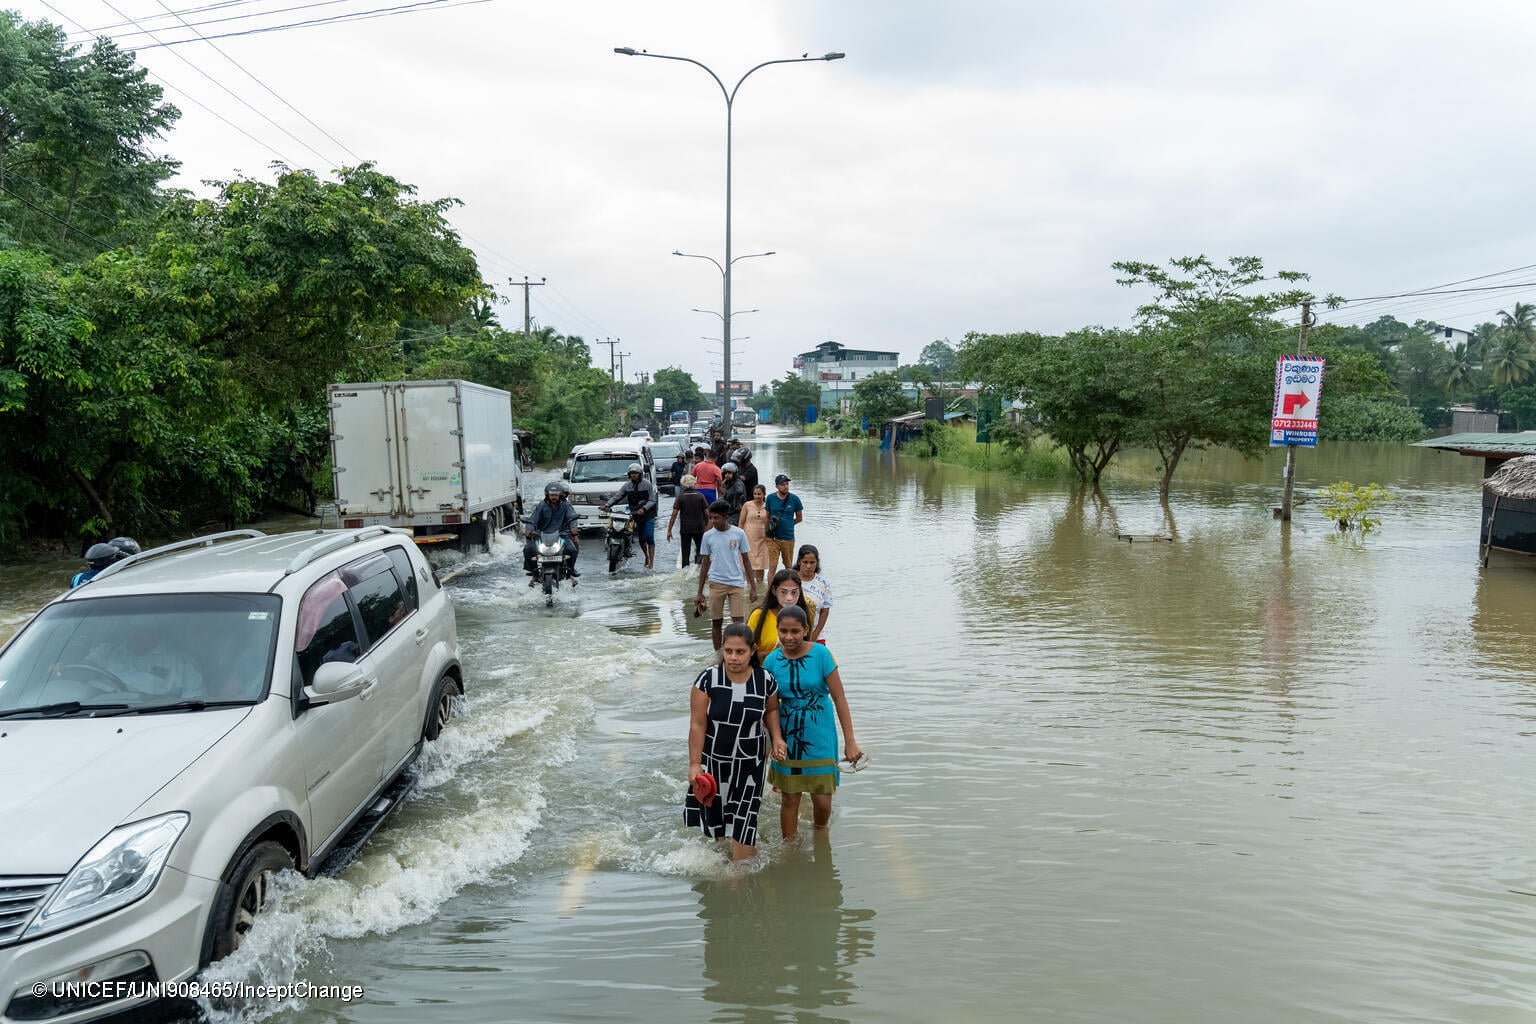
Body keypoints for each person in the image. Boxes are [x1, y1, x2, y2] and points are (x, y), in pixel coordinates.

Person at [684, 622, 786, 861]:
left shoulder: (765, 680)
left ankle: (739, 884)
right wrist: (694, 764)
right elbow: (697, 724)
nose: (733, 657)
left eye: (740, 652)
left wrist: (777, 738)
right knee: (717, 827)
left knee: (744, 824)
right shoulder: (708, 680)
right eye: (728, 651)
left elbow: (771, 711)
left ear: (753, 650)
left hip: (751, 764)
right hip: (714, 765)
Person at [765, 606, 861, 840]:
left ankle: (821, 839)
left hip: (820, 735)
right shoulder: (771, 661)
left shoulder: (822, 655)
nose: (789, 637)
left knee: (822, 800)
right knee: (789, 797)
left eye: (795, 631)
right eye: (783, 631)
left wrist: (850, 741)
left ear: (806, 629)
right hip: (787, 736)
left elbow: (839, 698)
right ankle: (790, 850)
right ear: (777, 630)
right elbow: (771, 707)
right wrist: (775, 739)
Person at [695, 500, 758, 650]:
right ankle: (718, 655)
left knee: (739, 624)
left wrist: (753, 587)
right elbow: (705, 564)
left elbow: (746, 560)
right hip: (716, 584)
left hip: (736, 583)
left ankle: (740, 650)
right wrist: (699, 592)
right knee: (716, 623)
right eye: (711, 518)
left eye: (716, 518)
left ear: (725, 516)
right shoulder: (708, 536)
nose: (712, 521)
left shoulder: (738, 533)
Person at [746, 570, 819, 659]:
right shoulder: (758, 615)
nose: (789, 598)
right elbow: (746, 654)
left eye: (794, 592)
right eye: (783, 592)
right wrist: (775, 653)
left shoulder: (805, 613)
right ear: (774, 590)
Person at [601, 463, 659, 569]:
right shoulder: (627, 486)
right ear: (629, 474)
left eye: (636, 473)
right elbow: (618, 496)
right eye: (632, 473)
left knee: (650, 537)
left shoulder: (647, 484)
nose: (634, 475)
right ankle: (646, 556)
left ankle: (651, 563)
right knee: (641, 539)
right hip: (636, 514)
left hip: (648, 514)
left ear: (640, 474)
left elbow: (652, 500)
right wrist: (606, 505)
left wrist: (644, 508)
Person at [523, 481, 581, 581]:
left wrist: (573, 528)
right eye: (551, 495)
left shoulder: (566, 505)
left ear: (560, 495)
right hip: (542, 537)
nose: (554, 497)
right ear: (547, 495)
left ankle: (570, 571)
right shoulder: (541, 505)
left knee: (572, 550)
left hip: (561, 536)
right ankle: (534, 573)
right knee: (527, 549)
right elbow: (533, 519)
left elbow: (572, 517)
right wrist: (529, 529)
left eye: (556, 495)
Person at [764, 474, 805, 574]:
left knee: (789, 567)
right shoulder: (770, 498)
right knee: (772, 568)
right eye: (782, 484)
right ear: (777, 486)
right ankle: (770, 589)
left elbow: (799, 518)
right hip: (773, 539)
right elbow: (767, 517)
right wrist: (766, 534)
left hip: (788, 538)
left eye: (787, 484)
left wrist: (789, 524)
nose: (786, 486)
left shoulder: (795, 499)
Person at [795, 544, 833, 643]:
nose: (808, 566)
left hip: (816, 635)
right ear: (799, 562)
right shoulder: (791, 579)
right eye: (805, 562)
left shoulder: (823, 583)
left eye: (812, 562)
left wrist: (814, 634)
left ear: (817, 563)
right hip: (793, 634)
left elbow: (825, 611)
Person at [739, 484, 772, 587]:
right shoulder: (747, 505)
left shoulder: (768, 506)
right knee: (749, 563)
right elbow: (741, 523)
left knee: (761, 565)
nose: (757, 496)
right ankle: (750, 586)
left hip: (763, 539)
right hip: (748, 538)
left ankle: (760, 586)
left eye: (759, 494)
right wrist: (739, 537)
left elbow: (771, 522)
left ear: (764, 495)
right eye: (755, 494)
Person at [718, 462, 748, 526]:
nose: (727, 475)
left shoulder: (738, 483)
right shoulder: (730, 483)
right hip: (729, 512)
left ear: (734, 474)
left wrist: (736, 504)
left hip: (736, 514)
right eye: (725, 473)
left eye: (729, 473)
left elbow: (739, 492)